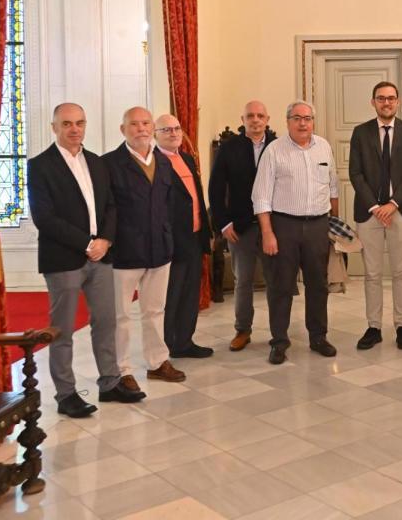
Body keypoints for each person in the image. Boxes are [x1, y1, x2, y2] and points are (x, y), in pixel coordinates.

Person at [28, 103, 146, 417]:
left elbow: (111, 206)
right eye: (66, 123)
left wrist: (105, 241)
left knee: (106, 322)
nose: (74, 129)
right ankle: (66, 394)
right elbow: (45, 218)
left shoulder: (96, 162)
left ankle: (110, 383)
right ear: (54, 127)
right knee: (62, 330)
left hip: (102, 257)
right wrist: (87, 244)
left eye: (79, 122)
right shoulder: (40, 166)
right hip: (64, 258)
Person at [252, 100, 340, 365]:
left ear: (313, 121)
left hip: (317, 226)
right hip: (284, 226)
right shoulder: (274, 151)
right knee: (280, 286)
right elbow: (261, 197)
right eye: (297, 118)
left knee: (318, 284)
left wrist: (333, 224)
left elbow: (333, 188)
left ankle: (318, 337)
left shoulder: (323, 146)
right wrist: (268, 233)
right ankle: (279, 341)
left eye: (308, 118)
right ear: (287, 121)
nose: (303, 123)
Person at [103, 107, 185, 387]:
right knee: (121, 315)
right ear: (123, 129)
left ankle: (157, 362)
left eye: (145, 123)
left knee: (155, 309)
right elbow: (105, 210)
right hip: (124, 252)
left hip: (159, 249)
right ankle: (121, 369)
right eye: (134, 124)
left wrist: (169, 238)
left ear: (152, 128)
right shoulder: (109, 164)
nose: (141, 129)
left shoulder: (163, 162)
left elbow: (168, 205)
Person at [349, 82, 402, 351]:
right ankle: (374, 327)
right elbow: (355, 173)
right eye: (381, 98)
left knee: (401, 271)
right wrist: (374, 206)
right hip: (369, 213)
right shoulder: (360, 133)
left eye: (391, 98)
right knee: (372, 273)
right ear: (373, 102)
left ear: (398, 102)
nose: (387, 103)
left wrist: (392, 203)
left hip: (401, 211)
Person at [208, 100, 277, 352]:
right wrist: (223, 223)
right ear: (243, 119)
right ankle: (242, 330)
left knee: (275, 280)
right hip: (240, 226)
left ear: (268, 119)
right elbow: (215, 189)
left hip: (274, 226)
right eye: (250, 116)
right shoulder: (229, 148)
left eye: (260, 115)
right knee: (243, 281)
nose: (256, 120)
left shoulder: (279, 146)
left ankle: (278, 332)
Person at [155, 114, 213, 359]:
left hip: (194, 236)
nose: (173, 133)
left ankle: (184, 341)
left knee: (190, 292)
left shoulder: (186, 159)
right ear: (156, 134)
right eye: (166, 129)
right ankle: (166, 345)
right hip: (171, 240)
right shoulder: (154, 162)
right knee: (172, 294)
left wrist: (206, 232)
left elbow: (196, 197)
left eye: (177, 128)